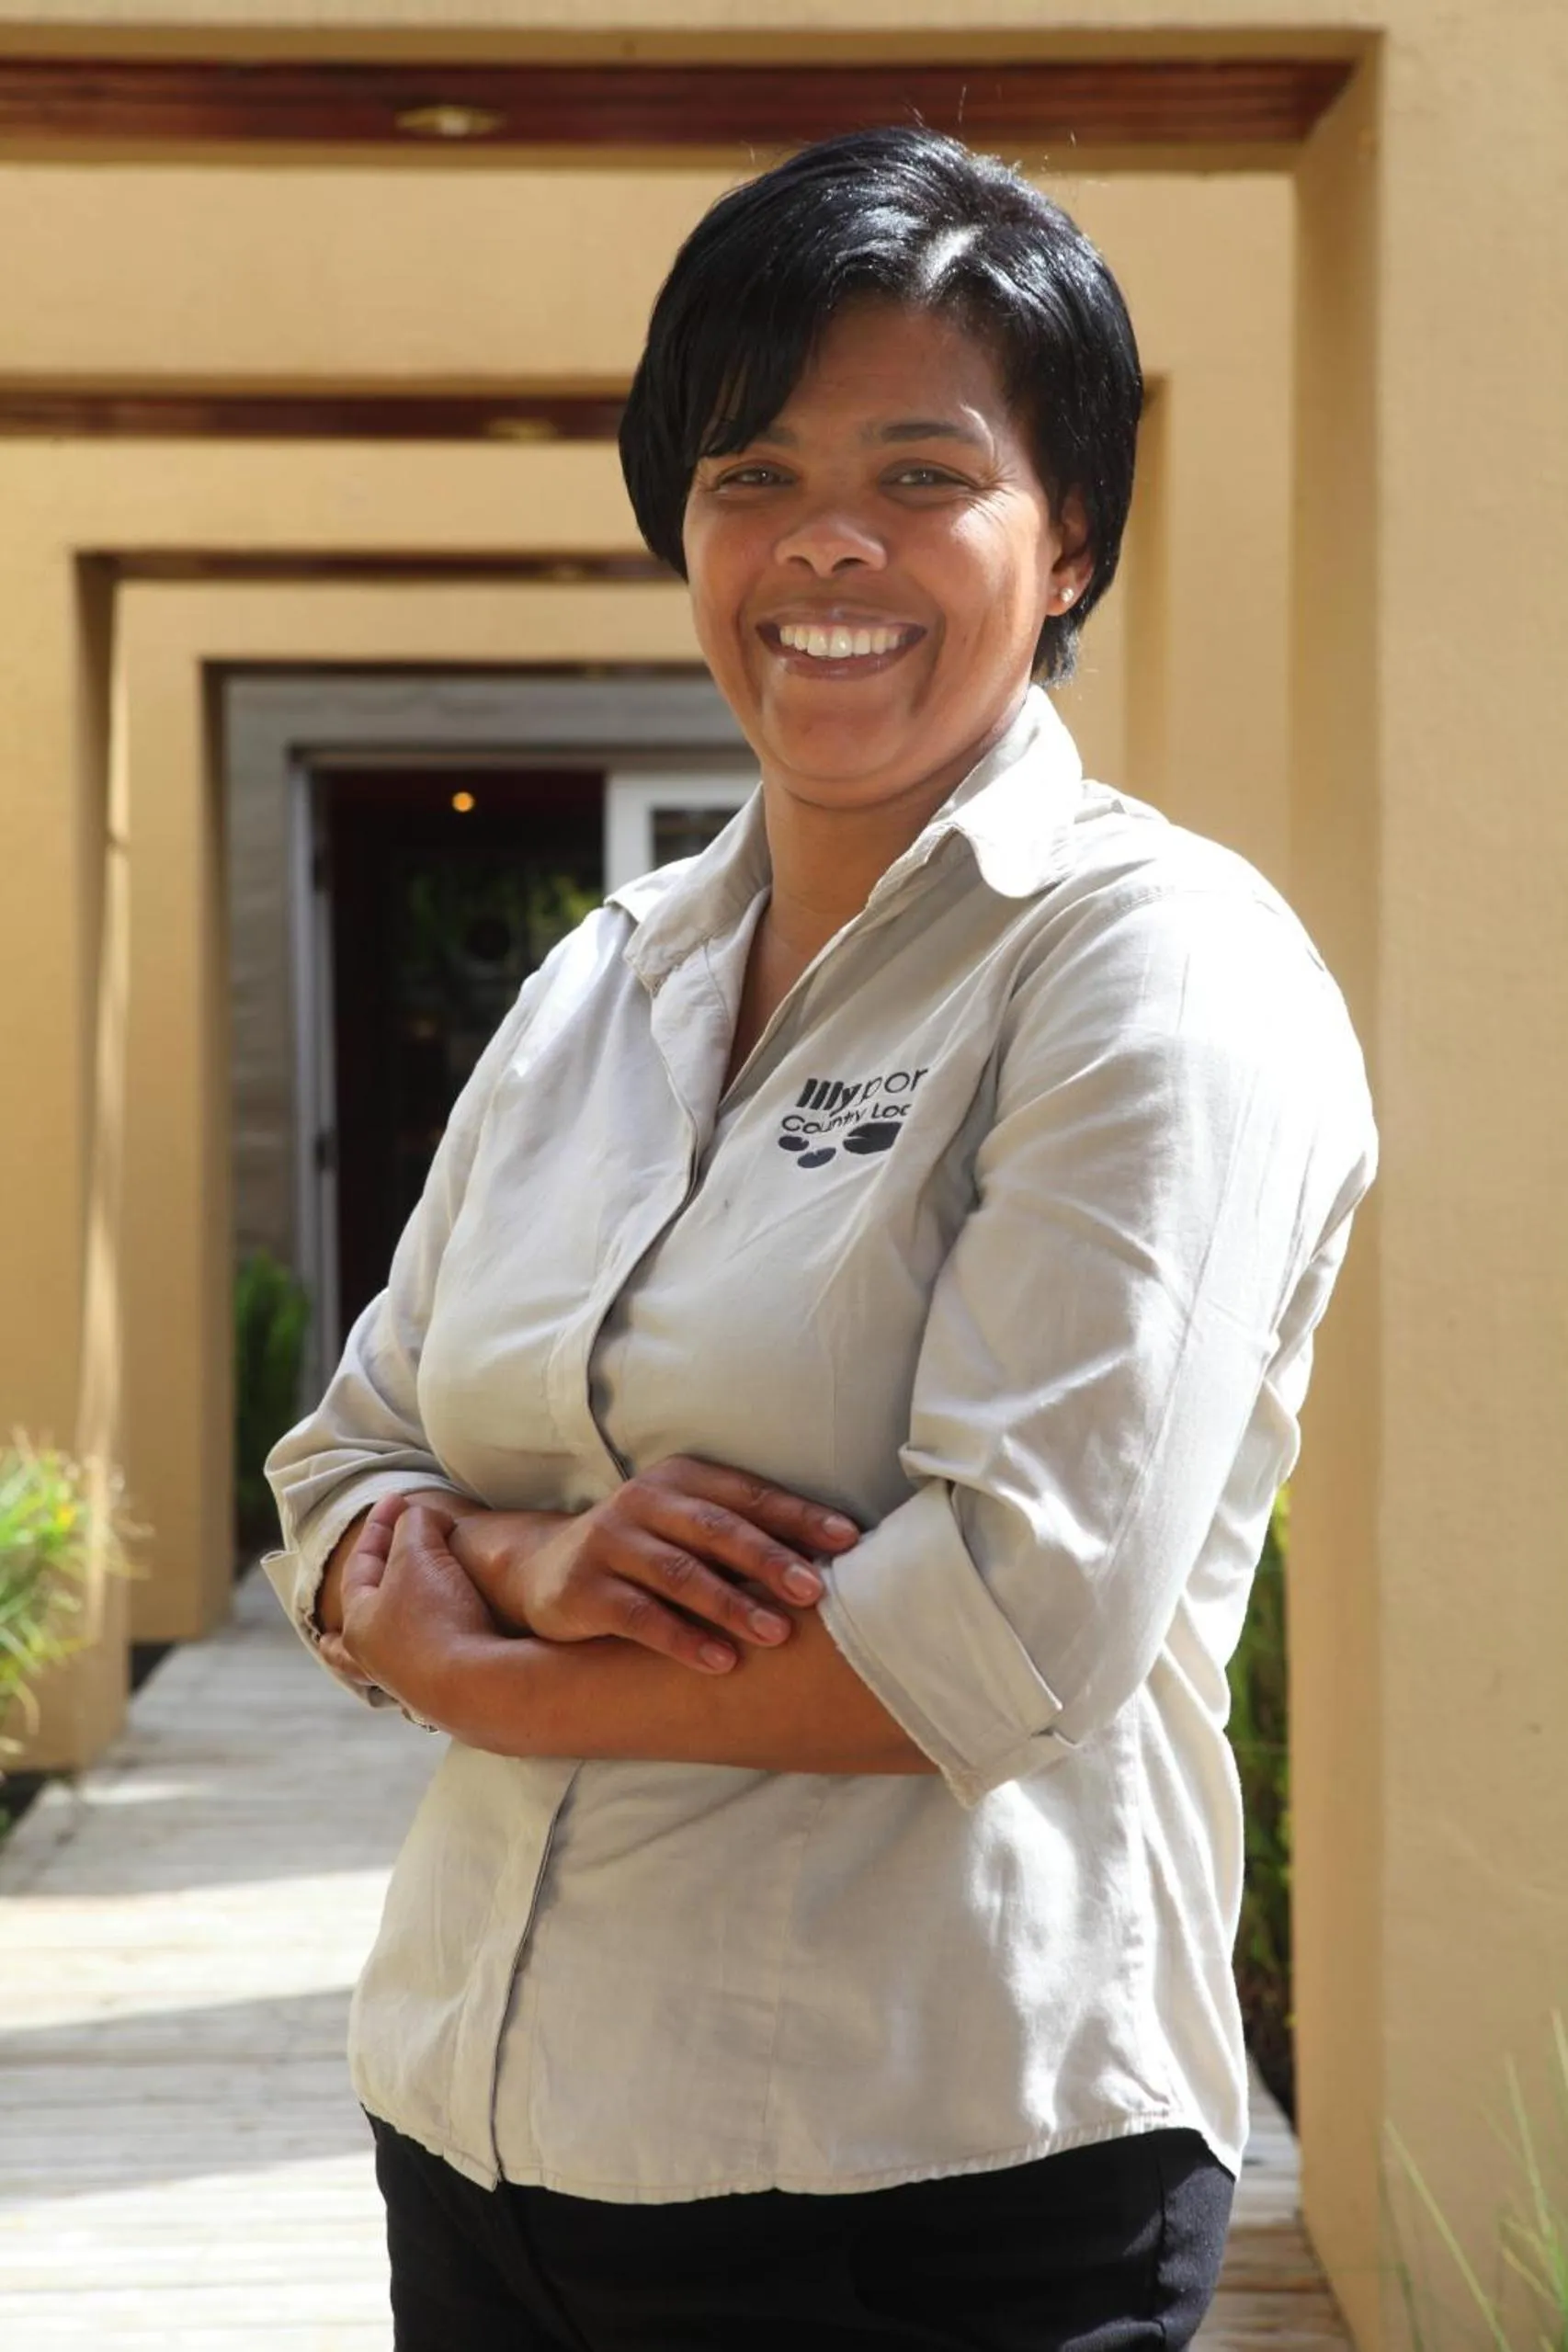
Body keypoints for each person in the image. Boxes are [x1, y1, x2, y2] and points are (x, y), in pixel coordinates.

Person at [265, 126, 1377, 2352]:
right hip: (483, 2140)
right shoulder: (607, 978)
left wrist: (476, 1660)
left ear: (1066, 540)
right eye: (749, 473)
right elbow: (339, 1474)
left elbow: (1003, 1628)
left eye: (923, 471)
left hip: (924, 2185)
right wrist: (550, 1555)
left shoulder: (1148, 968)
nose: (823, 544)